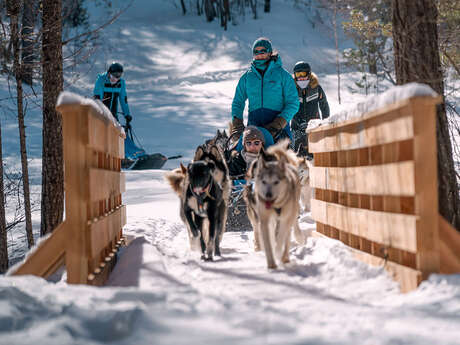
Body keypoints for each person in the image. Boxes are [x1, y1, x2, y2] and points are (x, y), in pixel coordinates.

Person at [231, 37, 299, 150]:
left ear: (270, 52)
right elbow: (238, 102)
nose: (259, 54)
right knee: (238, 155)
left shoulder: (283, 75)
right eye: (256, 52)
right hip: (254, 127)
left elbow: (293, 103)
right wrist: (237, 123)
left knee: (276, 162)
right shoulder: (247, 77)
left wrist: (279, 123)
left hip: (278, 128)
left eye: (262, 51)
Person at [290, 61, 330, 157]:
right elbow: (287, 107)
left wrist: (325, 123)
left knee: (315, 154)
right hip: (297, 127)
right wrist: (295, 122)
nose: (301, 77)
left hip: (314, 126)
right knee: (297, 155)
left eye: (303, 74)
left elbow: (324, 106)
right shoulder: (291, 90)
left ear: (309, 74)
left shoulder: (316, 88)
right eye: (298, 74)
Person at [93, 62, 132, 126]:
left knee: (120, 134)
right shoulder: (101, 80)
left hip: (114, 115)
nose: (115, 79)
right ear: (109, 73)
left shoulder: (121, 83)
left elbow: (123, 99)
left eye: (118, 76)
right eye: (113, 76)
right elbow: (98, 98)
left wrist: (127, 114)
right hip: (101, 114)